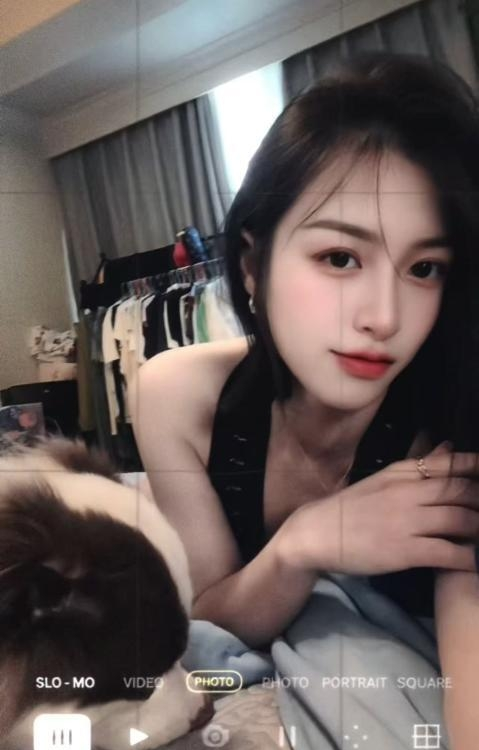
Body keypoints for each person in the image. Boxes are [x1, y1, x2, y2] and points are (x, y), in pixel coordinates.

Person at [130, 52, 479, 746]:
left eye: (424, 268)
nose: (383, 317)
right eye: (339, 258)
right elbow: (210, 618)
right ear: (252, 265)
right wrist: (304, 543)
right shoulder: (178, 398)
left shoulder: (450, 411)